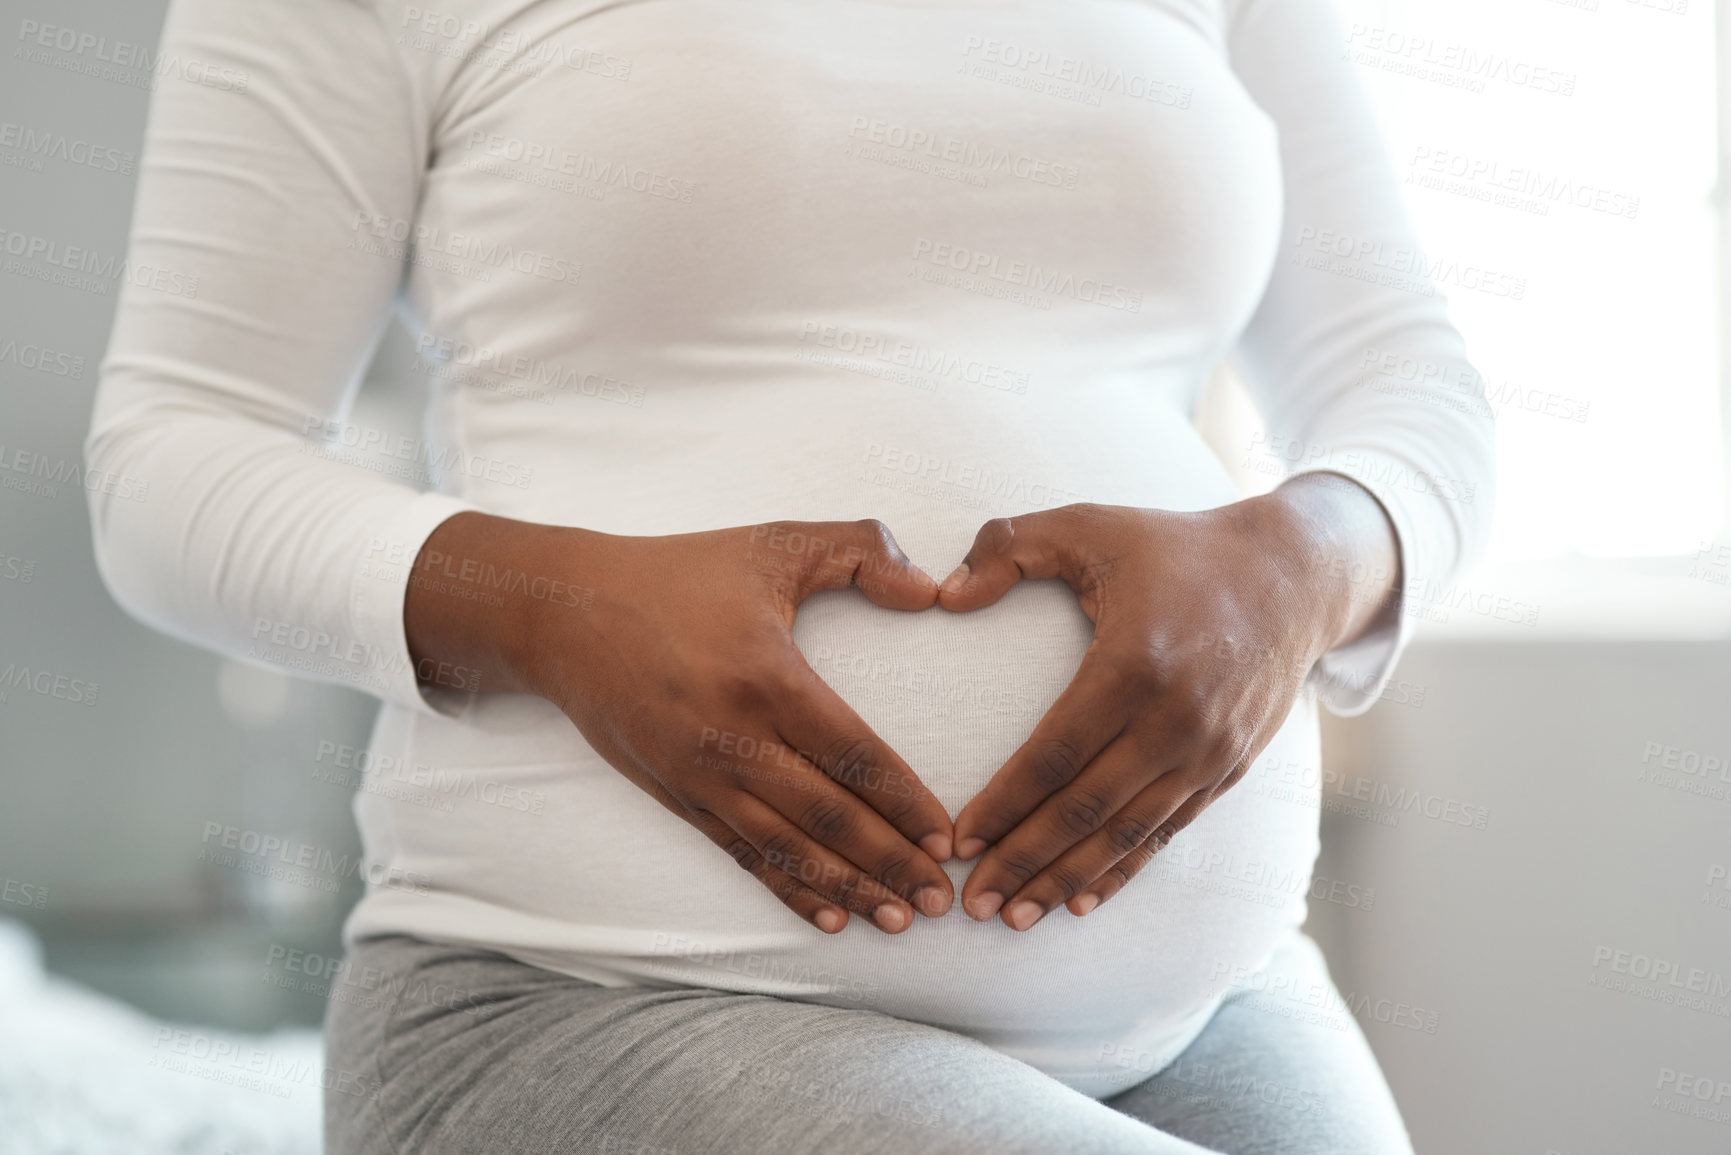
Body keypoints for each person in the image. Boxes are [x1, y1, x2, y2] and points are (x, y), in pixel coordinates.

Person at [85, 0, 1495, 1150]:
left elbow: (1405, 375)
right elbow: (172, 456)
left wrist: (1303, 560)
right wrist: (557, 613)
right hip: (593, 1001)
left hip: (1208, 1009)